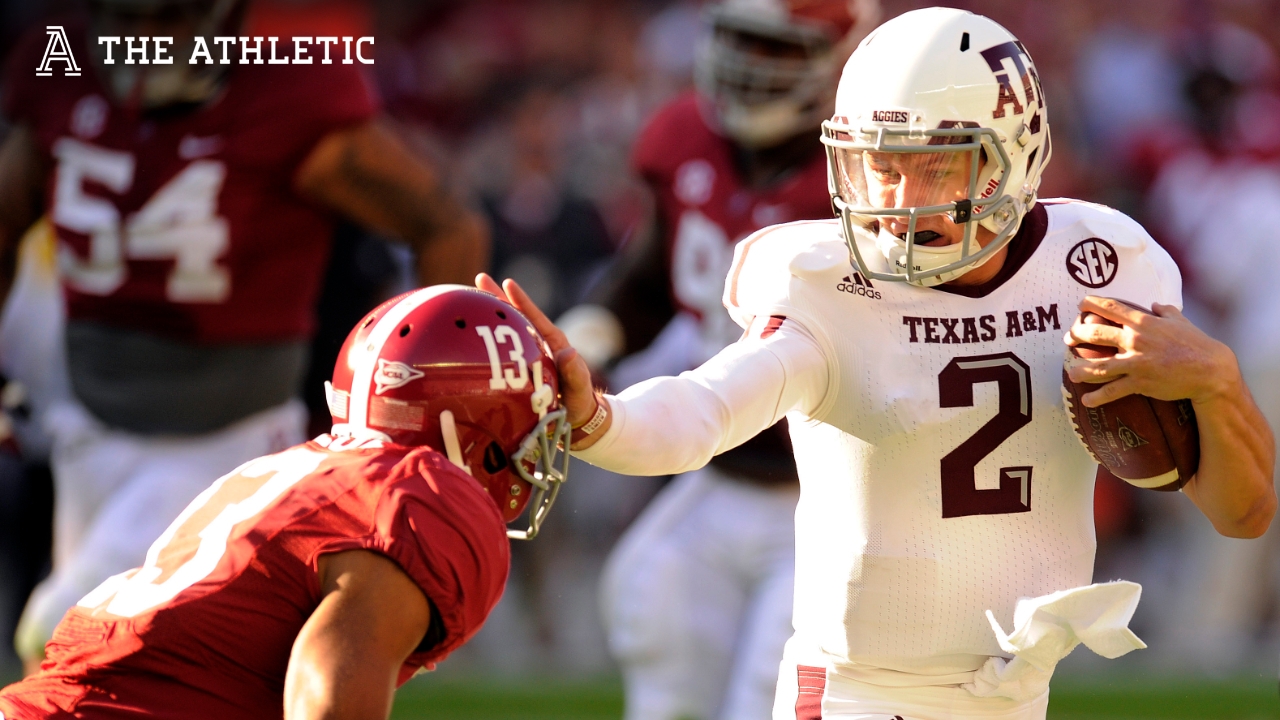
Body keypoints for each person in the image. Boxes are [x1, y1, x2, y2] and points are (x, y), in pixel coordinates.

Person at [480, 8, 1276, 719]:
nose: (895, 197)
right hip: (863, 694)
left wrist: (1217, 378)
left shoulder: (1099, 266)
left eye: (931, 162)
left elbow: (1246, 514)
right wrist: (595, 416)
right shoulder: (829, 287)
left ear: (1012, 153)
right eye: (876, 163)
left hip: (1017, 693)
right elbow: (702, 411)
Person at [0, 0, 488, 671]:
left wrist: (411, 414)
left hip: (228, 440)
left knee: (65, 630)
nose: (146, 40)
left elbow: (448, 228)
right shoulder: (57, 67)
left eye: (167, 17)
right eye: (131, 19)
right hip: (87, 430)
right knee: (136, 676)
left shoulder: (288, 83)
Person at [0, 286, 571, 718]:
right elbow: (323, 703)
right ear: (473, 427)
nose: (539, 447)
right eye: (532, 423)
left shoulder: (304, 470)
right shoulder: (422, 496)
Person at [555, 1, 875, 717]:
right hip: (718, 470)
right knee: (658, 631)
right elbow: (647, 280)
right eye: (742, 42)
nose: (752, 66)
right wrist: (589, 336)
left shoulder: (868, 173)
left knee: (774, 693)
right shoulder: (684, 139)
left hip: (826, 491)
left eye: (778, 49)